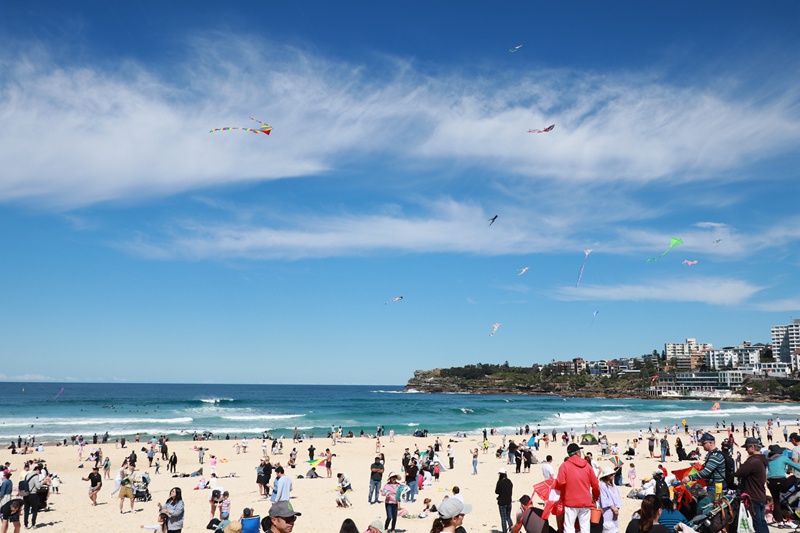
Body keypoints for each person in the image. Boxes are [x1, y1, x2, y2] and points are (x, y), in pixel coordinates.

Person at [554, 443, 600, 533]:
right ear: (578, 453)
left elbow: (560, 482)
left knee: (569, 527)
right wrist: (595, 497)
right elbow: (595, 484)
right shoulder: (587, 466)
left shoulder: (564, 466)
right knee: (585, 528)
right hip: (585, 501)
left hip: (570, 501)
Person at [735, 437, 768, 533]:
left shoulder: (753, 461)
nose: (746, 450)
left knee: (757, 523)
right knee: (762, 521)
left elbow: (739, 473)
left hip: (753, 495)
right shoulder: (762, 460)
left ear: (752, 447)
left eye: (747, 447)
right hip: (760, 494)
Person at [682, 433, 725, 501]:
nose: (702, 445)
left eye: (704, 443)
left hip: (715, 488)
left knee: (709, 507)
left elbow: (706, 472)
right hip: (713, 486)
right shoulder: (713, 453)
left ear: (710, 443)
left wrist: (690, 478)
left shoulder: (715, 455)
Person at [766, 443, 800, 526]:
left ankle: (780, 522)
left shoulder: (769, 459)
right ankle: (784, 491)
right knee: (793, 477)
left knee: (776, 501)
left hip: (770, 482)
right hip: (781, 482)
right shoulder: (783, 458)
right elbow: (796, 466)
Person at [598, 466, 621, 533]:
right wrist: (613, 508)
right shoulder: (603, 485)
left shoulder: (613, 485)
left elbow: (617, 496)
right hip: (607, 510)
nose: (613, 476)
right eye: (611, 474)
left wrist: (617, 508)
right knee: (607, 528)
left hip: (615, 509)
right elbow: (604, 498)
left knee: (615, 527)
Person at [22, 464, 42, 529]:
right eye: (39, 471)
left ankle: (25, 525)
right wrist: (43, 482)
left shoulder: (27, 475)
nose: (39, 472)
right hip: (33, 494)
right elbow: (38, 486)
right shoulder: (35, 476)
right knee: (34, 510)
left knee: (26, 510)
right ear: (37, 470)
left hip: (26, 494)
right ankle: (33, 524)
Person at [496, 469, 514, 533]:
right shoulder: (509, 481)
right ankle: (512, 528)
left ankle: (504, 531)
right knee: (508, 516)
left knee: (503, 518)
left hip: (502, 502)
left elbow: (496, 491)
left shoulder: (500, 482)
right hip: (509, 501)